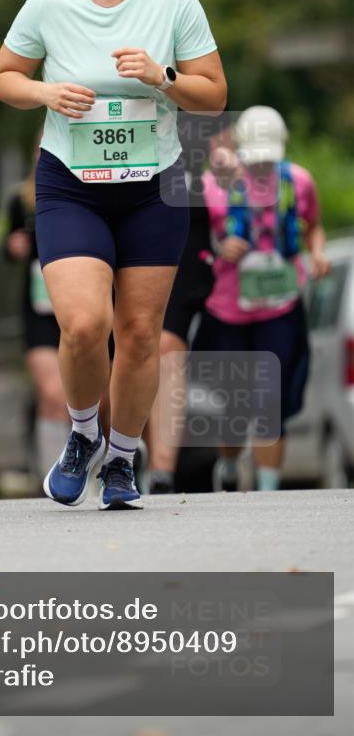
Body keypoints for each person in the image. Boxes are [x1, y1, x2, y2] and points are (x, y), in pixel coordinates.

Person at [0, 0, 227, 510]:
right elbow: (1, 75)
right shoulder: (49, 1)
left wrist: (161, 78)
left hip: (153, 184)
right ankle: (82, 434)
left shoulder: (173, 1)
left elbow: (213, 95)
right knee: (84, 325)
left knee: (142, 332)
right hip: (69, 182)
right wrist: (42, 89)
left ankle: (122, 459)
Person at [194, 106, 331, 491]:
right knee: (234, 408)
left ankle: (268, 493)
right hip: (227, 311)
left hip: (280, 306)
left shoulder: (299, 182)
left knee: (273, 403)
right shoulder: (211, 186)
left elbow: (314, 227)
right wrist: (220, 248)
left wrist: (317, 253)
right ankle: (230, 465)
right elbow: (193, 247)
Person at [147, 111, 237, 494]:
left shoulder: (207, 111)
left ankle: (161, 472)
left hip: (192, 269)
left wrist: (230, 170)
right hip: (138, 255)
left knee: (168, 351)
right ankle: (116, 452)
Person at [4, 144, 69, 479]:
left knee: (95, 396)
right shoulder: (22, 200)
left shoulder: (87, 189)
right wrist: (12, 245)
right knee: (52, 392)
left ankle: (94, 464)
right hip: (40, 307)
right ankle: (53, 472)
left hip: (78, 301)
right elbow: (7, 243)